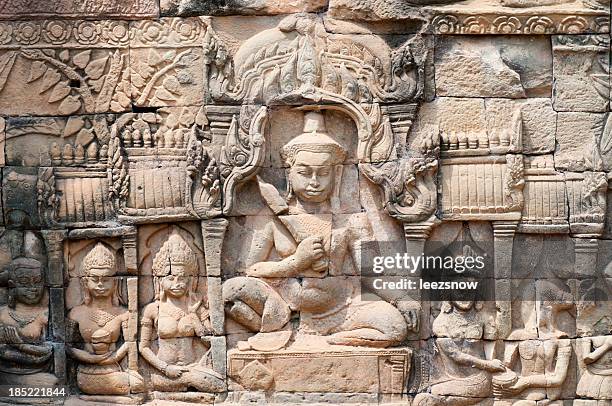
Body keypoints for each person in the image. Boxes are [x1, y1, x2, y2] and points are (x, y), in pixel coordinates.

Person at [223, 111, 409, 349]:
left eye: (323, 173)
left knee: (394, 326)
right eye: (304, 172)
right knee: (231, 290)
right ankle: (282, 328)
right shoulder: (270, 219)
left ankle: (330, 340)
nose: (314, 181)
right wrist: (296, 263)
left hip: (343, 308)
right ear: (288, 173)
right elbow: (250, 270)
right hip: (284, 305)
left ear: (337, 174)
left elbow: (371, 273)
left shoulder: (353, 221)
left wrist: (402, 301)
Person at [139, 232, 225, 394]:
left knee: (213, 383)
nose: (177, 284)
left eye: (182, 278)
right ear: (159, 280)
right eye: (170, 278)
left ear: (190, 280)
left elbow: (211, 343)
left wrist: (194, 316)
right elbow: (143, 347)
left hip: (194, 366)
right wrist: (165, 368)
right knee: (208, 384)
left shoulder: (197, 307)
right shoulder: (153, 309)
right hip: (162, 372)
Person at [66, 243, 143, 398]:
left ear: (115, 282)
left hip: (114, 368)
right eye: (95, 279)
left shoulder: (123, 313)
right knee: (134, 385)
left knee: (137, 383)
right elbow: (66, 346)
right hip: (86, 371)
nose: (100, 284)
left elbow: (130, 343)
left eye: (106, 279)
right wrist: (89, 358)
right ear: (85, 282)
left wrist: (111, 359)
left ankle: (94, 398)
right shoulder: (76, 313)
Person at [0, 257, 57, 386]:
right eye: (24, 282)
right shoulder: (2, 314)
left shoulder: (44, 314)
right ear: (11, 285)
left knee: (52, 383)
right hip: (4, 372)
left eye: (37, 282)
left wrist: (20, 346)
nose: (33, 288)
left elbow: (48, 352)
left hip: (36, 371)